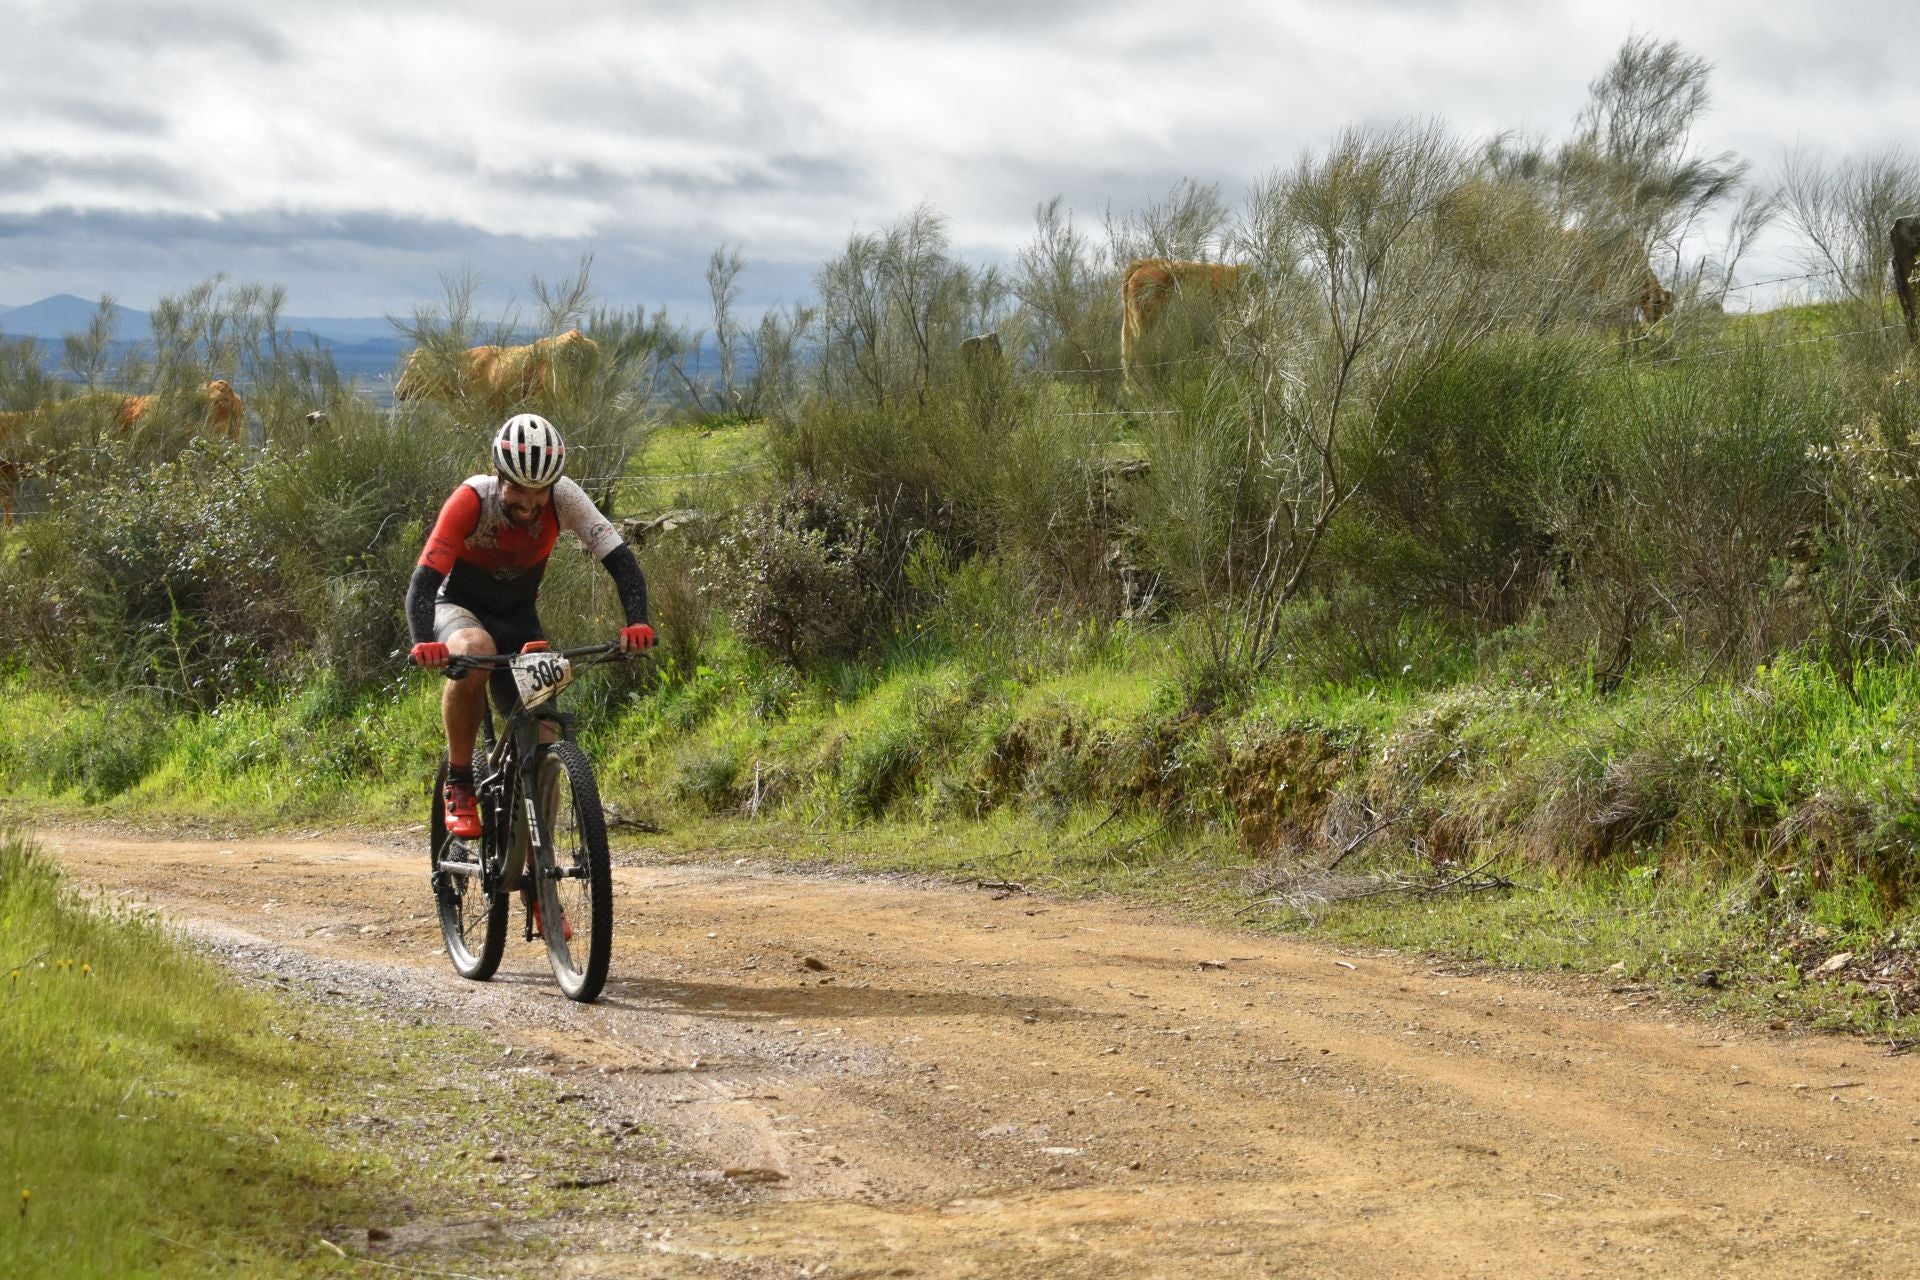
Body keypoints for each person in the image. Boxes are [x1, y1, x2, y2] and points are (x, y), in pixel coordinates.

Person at [406, 413, 654, 838]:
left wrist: (637, 623)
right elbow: (424, 580)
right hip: (457, 607)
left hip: (518, 614)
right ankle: (460, 781)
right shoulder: (471, 499)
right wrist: (422, 642)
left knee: (544, 732)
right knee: (477, 649)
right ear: (498, 476)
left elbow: (621, 562)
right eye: (517, 493)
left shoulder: (566, 497)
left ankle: (541, 873)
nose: (528, 506)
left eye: (539, 496)